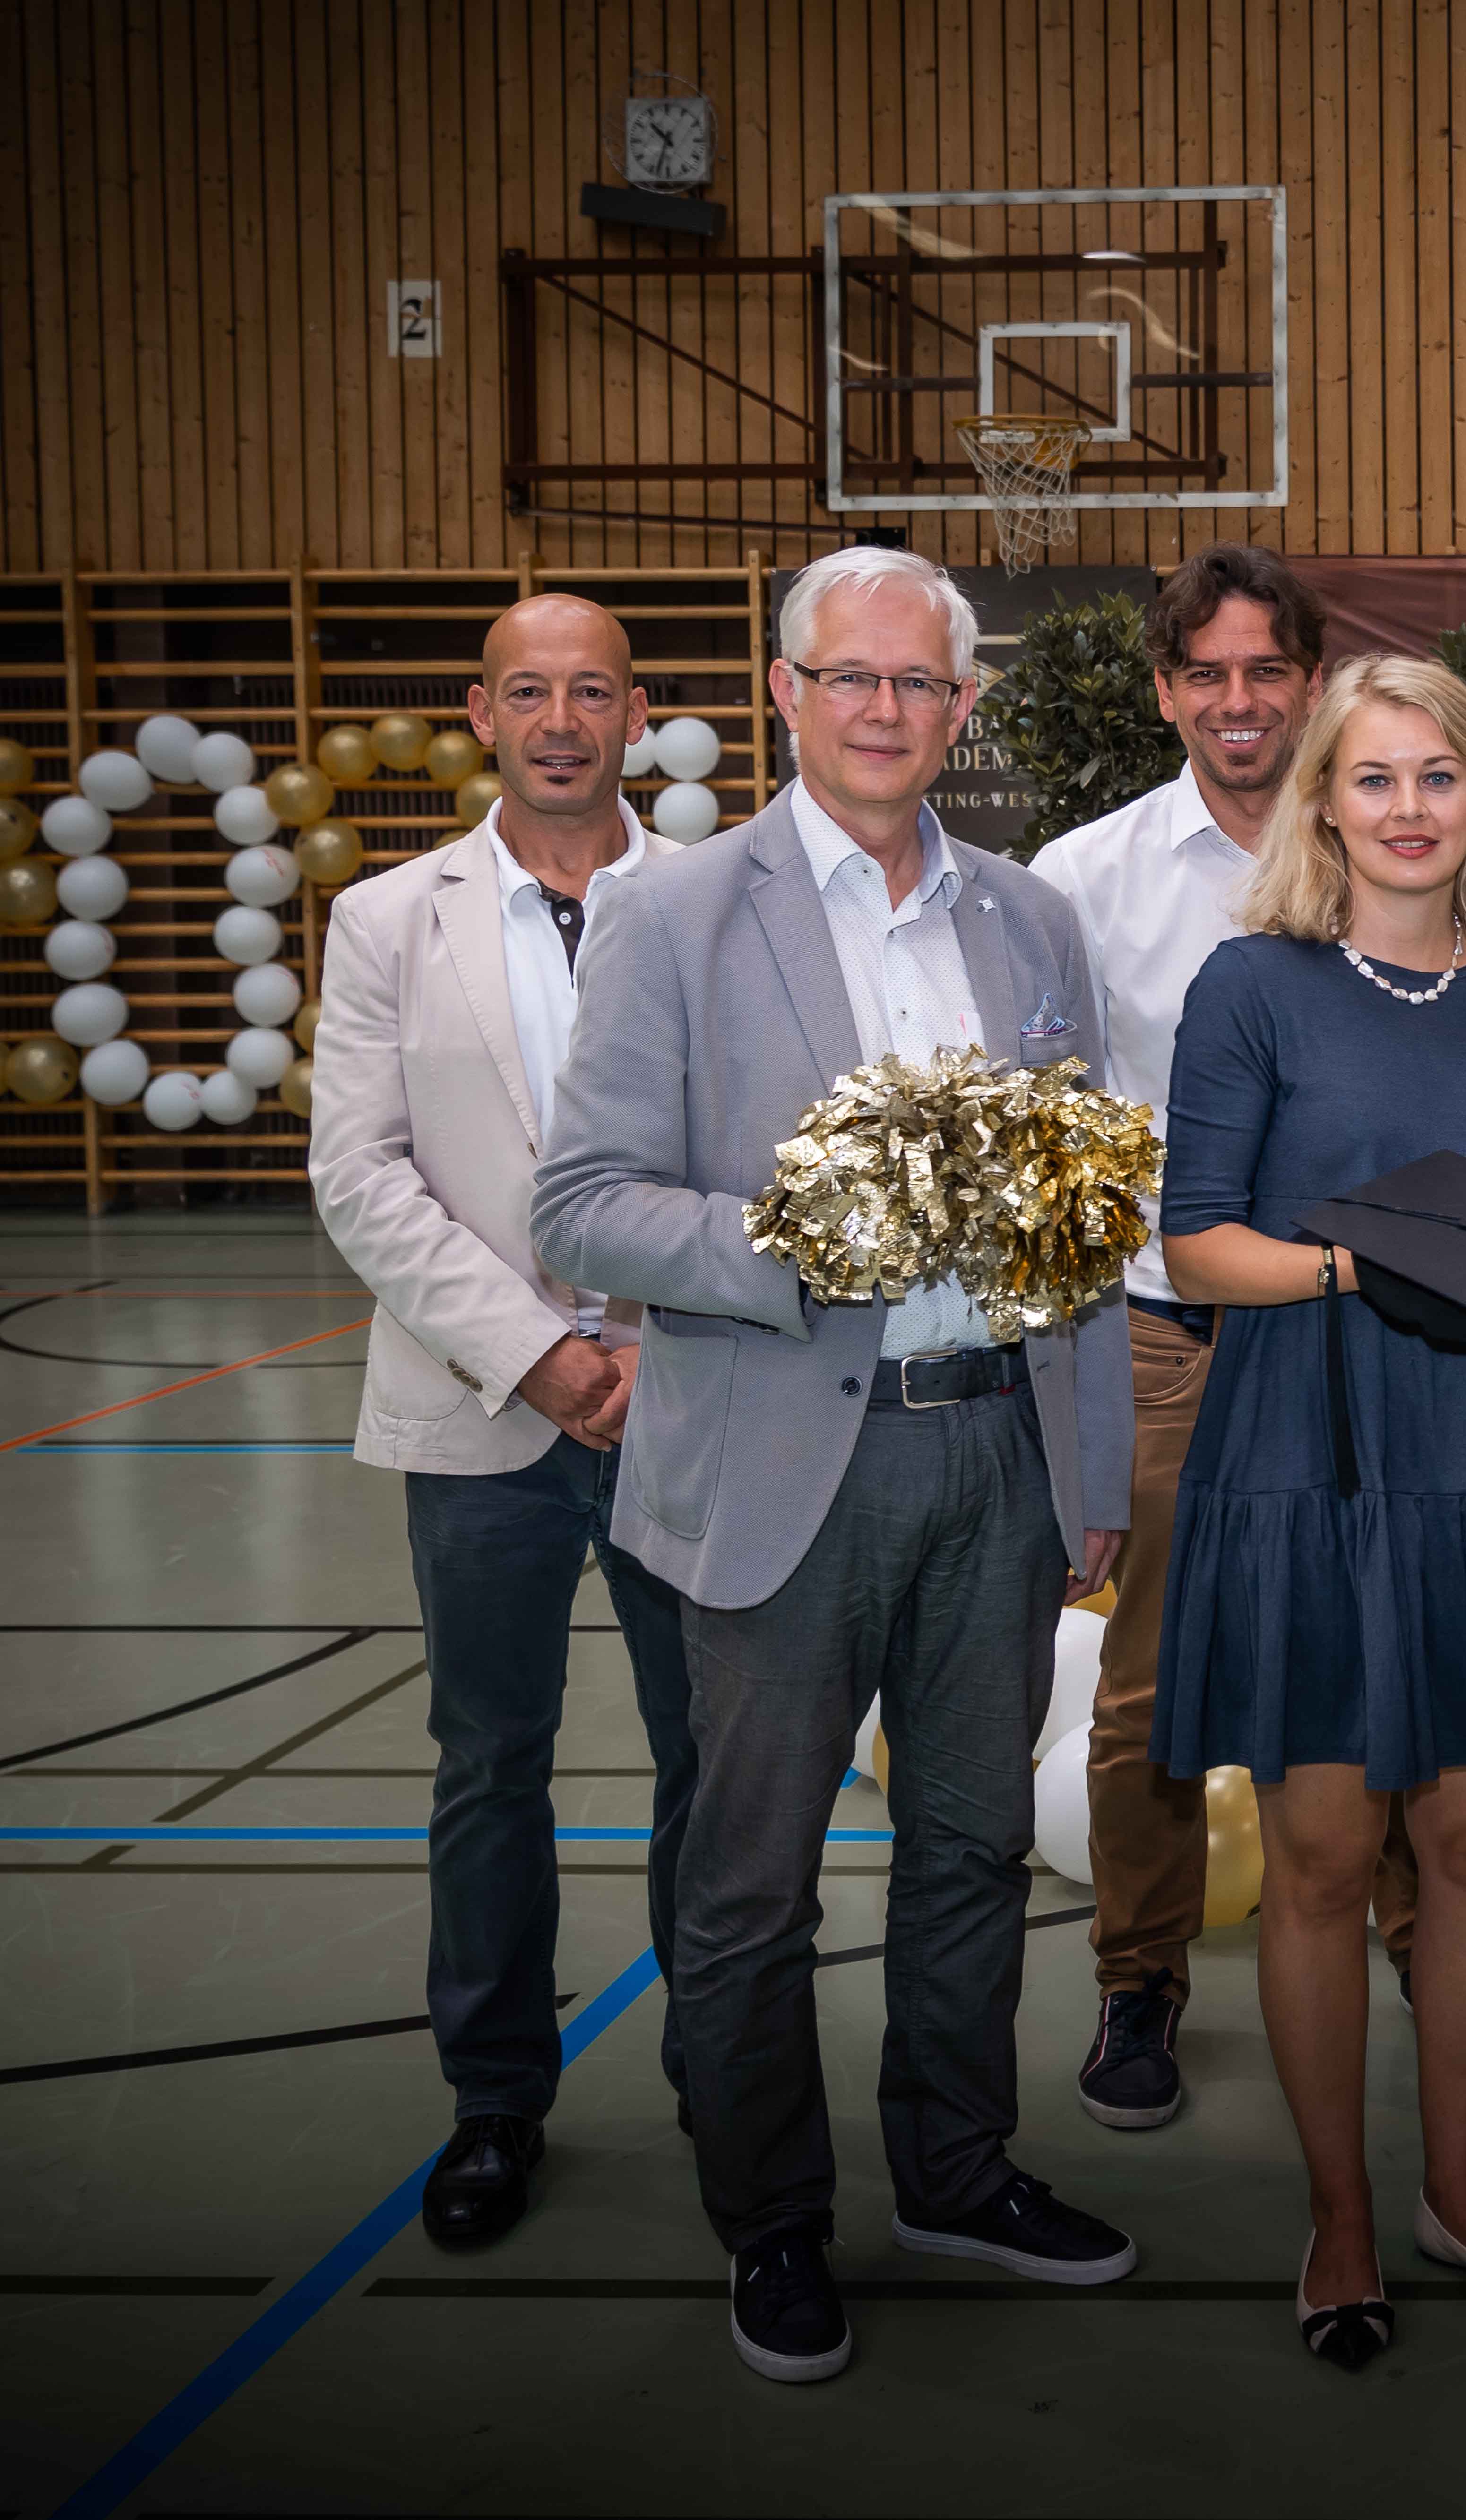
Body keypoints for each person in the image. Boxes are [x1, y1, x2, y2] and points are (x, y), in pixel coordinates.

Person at [530, 543, 1138, 2386]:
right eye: (850, 676)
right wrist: (803, 1235)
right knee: (751, 1883)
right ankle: (773, 2216)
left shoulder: (1029, 921)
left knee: (970, 1848)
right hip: (782, 1466)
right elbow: (583, 1205)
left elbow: (1081, 1219)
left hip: (999, 1453)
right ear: (785, 693)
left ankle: (954, 2169)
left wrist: (1091, 1471)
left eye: (919, 681)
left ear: (965, 706)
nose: (885, 709)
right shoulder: (671, 916)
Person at [1148, 653, 1466, 2371]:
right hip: (1312, 1444)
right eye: (1375, 777)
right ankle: (1341, 2216)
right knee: (1324, 1854)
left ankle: (1460, 2195)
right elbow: (1196, 1241)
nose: (1410, 807)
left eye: (1441, 775)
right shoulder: (1251, 987)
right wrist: (1366, 1265)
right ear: (1325, 802)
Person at [1030, 543, 1466, 2128]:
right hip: (1173, 1331)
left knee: (1384, 1655)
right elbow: (1054, 1136)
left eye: (1267, 670)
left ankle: (1420, 1944)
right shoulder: (1085, 879)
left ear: (1313, 685)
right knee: (1152, 1686)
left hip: (1401, 1344)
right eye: (1207, 674)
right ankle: (1140, 1979)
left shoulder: (1425, 880)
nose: (1237, 700)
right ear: (1166, 692)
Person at [308, 593, 694, 2250]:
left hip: (688, 1406)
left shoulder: (716, 900)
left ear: (637, 714)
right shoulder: (390, 918)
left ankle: (724, 2076)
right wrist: (539, 1353)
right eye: (528, 692)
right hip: (484, 1416)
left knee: (716, 1760)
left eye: (591, 692)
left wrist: (655, 1347)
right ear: (480, 714)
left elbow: (764, 1156)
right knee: (488, 1764)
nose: (560, 722)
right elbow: (361, 1174)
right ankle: (493, 2100)